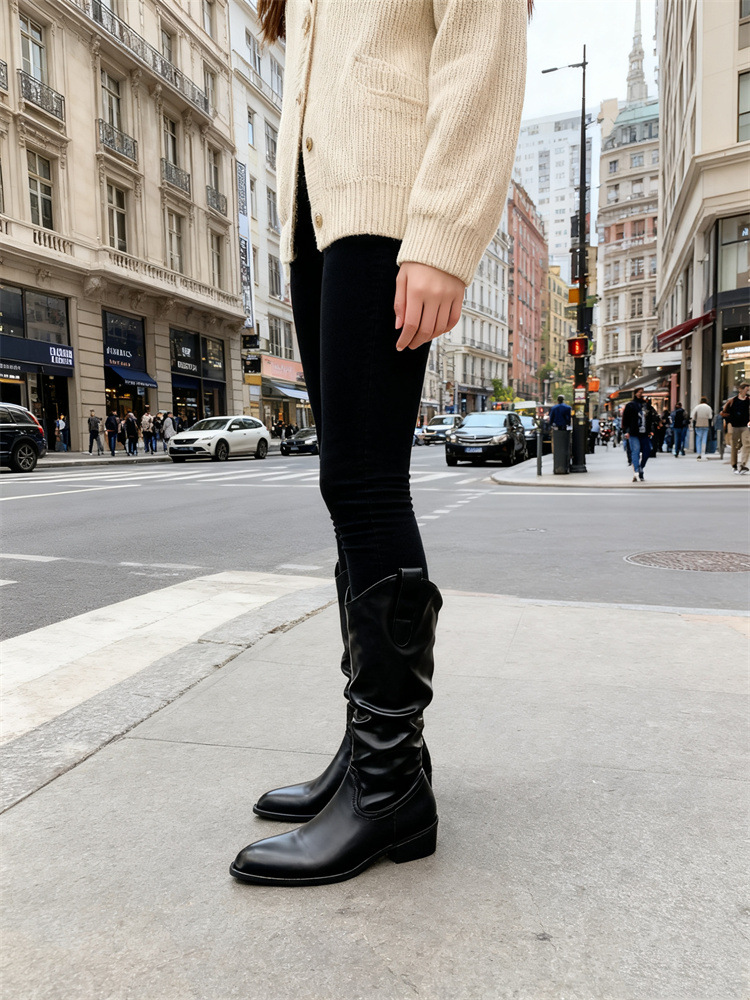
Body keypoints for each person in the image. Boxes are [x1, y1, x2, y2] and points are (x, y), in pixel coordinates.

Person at [230, 0, 529, 888]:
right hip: (322, 217)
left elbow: (483, 43)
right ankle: (374, 756)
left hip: (390, 215)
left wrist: (444, 235)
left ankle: (391, 782)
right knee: (346, 486)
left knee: (364, 484)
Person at [622, 387, 657, 482]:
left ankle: (641, 467)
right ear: (635, 393)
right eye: (639, 392)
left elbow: (651, 417)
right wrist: (626, 431)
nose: (641, 394)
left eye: (642, 392)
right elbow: (626, 419)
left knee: (647, 450)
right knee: (635, 450)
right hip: (634, 432)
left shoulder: (646, 405)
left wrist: (651, 429)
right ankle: (637, 471)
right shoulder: (631, 405)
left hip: (644, 432)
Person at [722, 382, 750, 474]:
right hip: (734, 426)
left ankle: (743, 465)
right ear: (740, 389)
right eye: (746, 389)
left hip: (745, 426)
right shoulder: (732, 401)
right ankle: (734, 465)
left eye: (748, 390)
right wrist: (730, 421)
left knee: (747, 444)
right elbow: (723, 413)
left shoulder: (748, 400)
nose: (747, 392)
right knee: (735, 446)